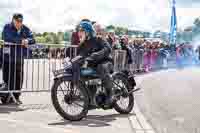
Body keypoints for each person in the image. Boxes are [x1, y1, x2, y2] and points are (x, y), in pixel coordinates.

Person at [75, 21, 114, 107]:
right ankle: (91, 99)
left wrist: (94, 56)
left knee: (101, 67)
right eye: (78, 31)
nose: (79, 33)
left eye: (81, 31)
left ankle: (110, 94)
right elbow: (80, 56)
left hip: (106, 62)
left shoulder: (98, 39)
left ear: (88, 31)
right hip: (93, 65)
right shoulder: (81, 45)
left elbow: (107, 49)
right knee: (83, 74)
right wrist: (72, 61)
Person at [1, 13, 35, 104]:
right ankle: (6, 97)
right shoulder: (7, 27)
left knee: (19, 79)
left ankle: (16, 97)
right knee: (7, 78)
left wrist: (27, 40)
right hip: (8, 58)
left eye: (20, 21)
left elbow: (33, 38)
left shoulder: (25, 28)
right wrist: (22, 41)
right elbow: (8, 37)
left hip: (19, 57)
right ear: (13, 20)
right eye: (17, 21)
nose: (19, 23)